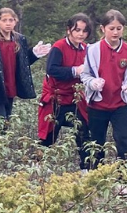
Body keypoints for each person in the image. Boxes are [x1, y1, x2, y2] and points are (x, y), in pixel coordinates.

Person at [0, 7, 51, 143]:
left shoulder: (19, 39)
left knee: (6, 119)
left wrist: (34, 53)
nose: (8, 23)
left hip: (10, 85)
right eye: (4, 20)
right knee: (0, 118)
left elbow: (23, 62)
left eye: (11, 20)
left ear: (15, 22)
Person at [79, 10, 127, 170]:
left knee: (124, 139)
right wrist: (92, 83)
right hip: (97, 105)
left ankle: (124, 178)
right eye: (111, 28)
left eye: (119, 28)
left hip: (120, 104)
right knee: (96, 142)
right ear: (103, 28)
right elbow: (85, 74)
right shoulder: (92, 50)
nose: (115, 32)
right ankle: (97, 176)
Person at [38, 14, 91, 159]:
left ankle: (85, 168)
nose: (81, 34)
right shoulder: (59, 47)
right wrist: (74, 71)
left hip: (76, 98)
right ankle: (39, 167)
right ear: (69, 30)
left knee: (84, 131)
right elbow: (52, 69)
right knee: (49, 134)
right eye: (77, 30)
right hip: (57, 97)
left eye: (84, 31)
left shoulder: (86, 49)